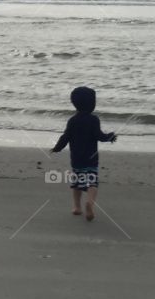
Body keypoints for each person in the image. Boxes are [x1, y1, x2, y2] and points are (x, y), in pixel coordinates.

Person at [49, 85, 117, 221]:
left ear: (74, 103)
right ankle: (90, 203)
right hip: (91, 159)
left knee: (77, 184)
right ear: (92, 104)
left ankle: (77, 207)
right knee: (92, 182)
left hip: (77, 159)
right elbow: (99, 136)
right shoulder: (94, 120)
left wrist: (57, 148)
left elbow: (65, 137)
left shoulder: (72, 121)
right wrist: (109, 137)